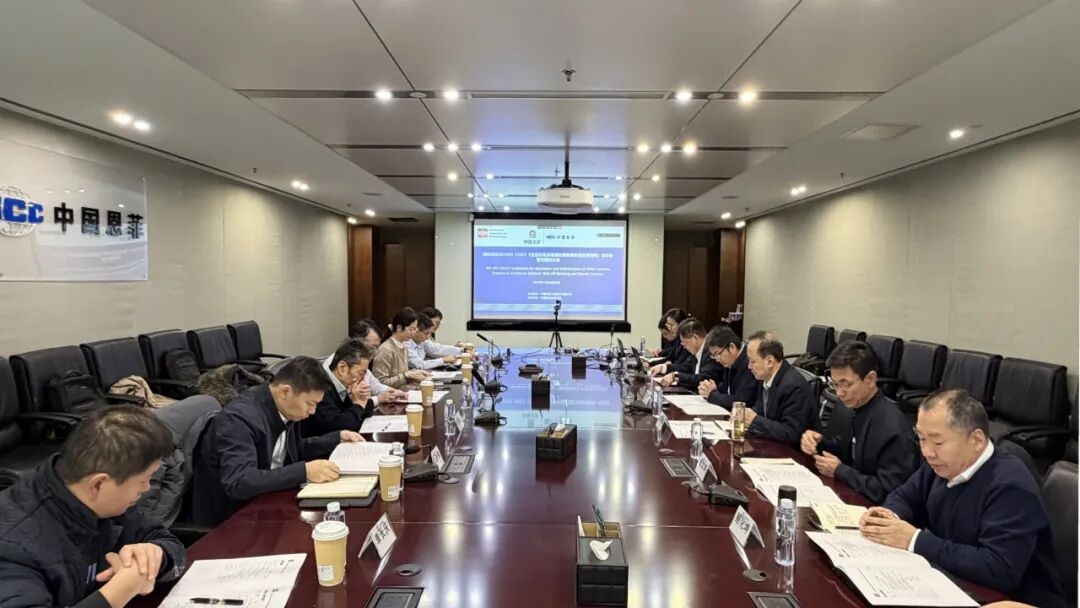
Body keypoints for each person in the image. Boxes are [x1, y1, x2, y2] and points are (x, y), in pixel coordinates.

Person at [860, 389, 1065, 608]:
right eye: (921, 438)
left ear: (976, 440)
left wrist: (915, 540)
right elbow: (904, 497)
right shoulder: (941, 464)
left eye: (937, 442)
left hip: (1010, 599)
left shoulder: (1011, 486)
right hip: (952, 580)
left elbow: (999, 569)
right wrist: (889, 518)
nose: (927, 452)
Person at [0, 406, 185, 608]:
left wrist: (154, 558)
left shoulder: (101, 501)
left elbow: (166, 541)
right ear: (98, 484)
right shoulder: (12, 549)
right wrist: (120, 591)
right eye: (143, 480)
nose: (147, 487)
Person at [191, 356, 365, 526]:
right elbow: (239, 482)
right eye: (310, 403)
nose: (312, 411)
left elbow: (290, 449)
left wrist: (335, 438)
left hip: (267, 501)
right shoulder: (238, 420)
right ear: (285, 392)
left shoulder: (283, 408)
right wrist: (304, 471)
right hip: (232, 520)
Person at [799, 340, 919, 503]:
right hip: (844, 494)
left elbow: (890, 491)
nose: (839, 393)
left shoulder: (894, 427)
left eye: (846, 384)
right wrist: (817, 443)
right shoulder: (847, 406)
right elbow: (844, 451)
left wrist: (840, 471)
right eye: (835, 384)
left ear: (870, 379)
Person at [743, 331, 815, 446]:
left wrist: (754, 420)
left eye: (753, 361)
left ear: (770, 361)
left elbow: (792, 433)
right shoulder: (765, 377)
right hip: (772, 444)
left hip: (794, 452)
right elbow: (761, 410)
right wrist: (744, 415)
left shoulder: (794, 386)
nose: (749, 366)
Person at [302, 339, 378, 436]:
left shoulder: (344, 386)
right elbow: (337, 426)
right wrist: (358, 405)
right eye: (360, 374)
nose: (362, 380)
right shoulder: (321, 387)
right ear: (342, 368)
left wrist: (363, 400)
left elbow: (365, 414)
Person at [696, 326, 759, 408]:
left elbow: (742, 401)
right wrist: (713, 389)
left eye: (717, 354)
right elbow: (727, 390)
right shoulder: (730, 361)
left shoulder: (749, 363)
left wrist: (712, 395)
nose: (717, 359)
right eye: (714, 356)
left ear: (732, 347)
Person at [349, 319, 407, 404]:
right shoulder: (345, 361)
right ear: (357, 342)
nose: (376, 351)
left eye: (377, 347)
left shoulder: (363, 363)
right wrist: (378, 399)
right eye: (372, 347)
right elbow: (354, 402)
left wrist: (393, 392)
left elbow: (375, 385)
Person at [653, 319, 721, 390]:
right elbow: (684, 367)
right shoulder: (695, 351)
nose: (684, 346)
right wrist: (662, 368)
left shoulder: (711, 351)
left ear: (695, 338)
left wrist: (675, 376)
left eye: (684, 342)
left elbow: (703, 378)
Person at [371, 307, 431, 389]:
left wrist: (414, 373)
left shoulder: (404, 346)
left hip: (402, 392)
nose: (413, 333)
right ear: (399, 327)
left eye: (415, 330)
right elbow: (380, 383)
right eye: (411, 329)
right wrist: (405, 375)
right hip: (390, 394)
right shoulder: (385, 350)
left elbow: (403, 377)